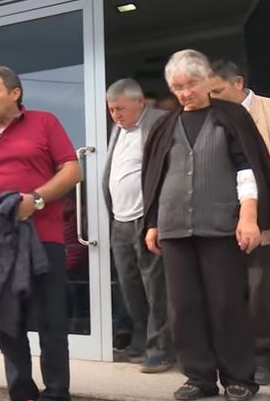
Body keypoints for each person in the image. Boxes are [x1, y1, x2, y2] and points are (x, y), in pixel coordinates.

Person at [143, 49, 270, 401]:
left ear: (206, 80)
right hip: (173, 229)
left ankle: (239, 378)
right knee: (184, 307)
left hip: (221, 227)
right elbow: (155, 177)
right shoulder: (164, 125)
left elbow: (248, 169)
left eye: (192, 84)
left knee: (227, 304)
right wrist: (152, 224)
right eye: (178, 87)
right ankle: (198, 377)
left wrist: (249, 216)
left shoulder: (231, 116)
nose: (186, 93)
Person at [0, 65, 82, 401]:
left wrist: (36, 200)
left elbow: (72, 170)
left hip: (45, 238)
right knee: (7, 323)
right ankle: (22, 393)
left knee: (51, 320)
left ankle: (56, 393)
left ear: (15, 93)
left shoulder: (45, 122)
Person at [102, 78, 172, 373]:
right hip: (120, 220)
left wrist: (157, 219)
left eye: (120, 108)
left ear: (139, 102)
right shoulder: (117, 130)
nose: (115, 115)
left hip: (147, 218)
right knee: (129, 286)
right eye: (111, 109)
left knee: (156, 287)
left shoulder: (159, 123)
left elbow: (167, 171)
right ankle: (142, 340)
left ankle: (161, 349)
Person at [209, 58, 270, 386]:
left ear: (238, 82)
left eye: (218, 91)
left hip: (263, 221)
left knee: (260, 292)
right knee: (230, 294)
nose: (213, 98)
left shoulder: (267, 111)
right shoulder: (211, 118)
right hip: (221, 221)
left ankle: (261, 356)